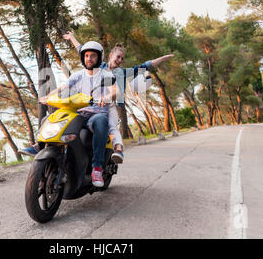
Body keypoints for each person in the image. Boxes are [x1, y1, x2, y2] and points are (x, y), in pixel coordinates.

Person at [62, 31, 175, 163]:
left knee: (111, 127)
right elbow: (82, 49)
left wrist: (163, 58)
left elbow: (146, 65)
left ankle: (117, 151)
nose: (120, 60)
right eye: (118, 57)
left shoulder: (122, 72)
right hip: (91, 104)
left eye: (122, 58)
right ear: (110, 55)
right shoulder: (99, 65)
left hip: (110, 105)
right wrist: (72, 38)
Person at [38, 41, 117, 188]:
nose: (89, 58)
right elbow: (62, 88)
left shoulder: (106, 75)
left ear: (99, 58)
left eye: (93, 56)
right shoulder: (78, 75)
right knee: (49, 118)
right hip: (79, 112)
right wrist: (48, 97)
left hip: (96, 114)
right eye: (86, 55)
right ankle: (40, 146)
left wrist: (106, 98)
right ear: (83, 58)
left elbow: (114, 91)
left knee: (100, 121)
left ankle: (97, 168)